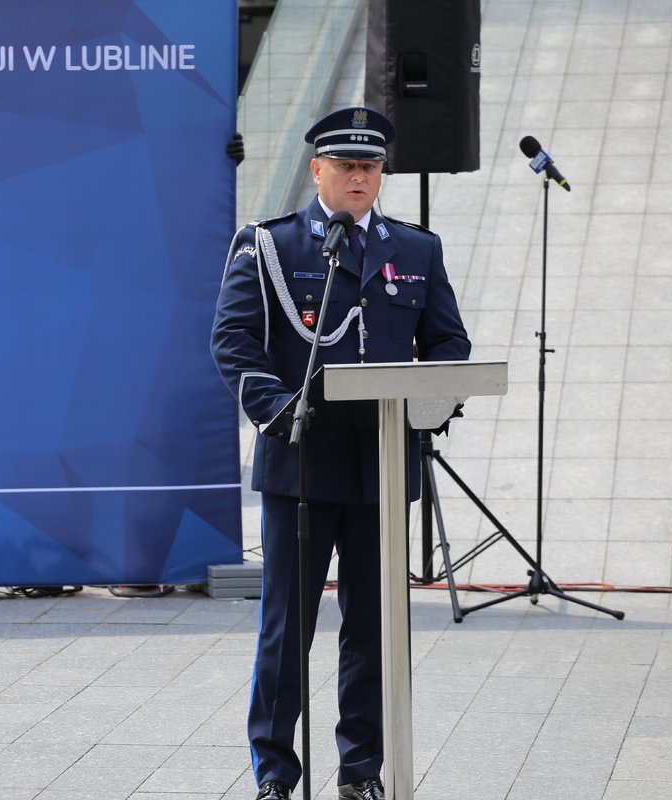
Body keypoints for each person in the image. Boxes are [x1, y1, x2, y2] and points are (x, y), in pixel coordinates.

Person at [210, 107, 470, 800]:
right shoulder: (272, 245)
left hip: (382, 464)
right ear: (317, 170)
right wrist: (277, 410)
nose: (360, 177)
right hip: (301, 461)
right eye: (347, 165)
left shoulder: (415, 249)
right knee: (286, 629)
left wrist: (431, 404)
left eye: (371, 166)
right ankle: (274, 773)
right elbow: (234, 339)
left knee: (374, 630)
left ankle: (361, 772)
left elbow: (448, 342)